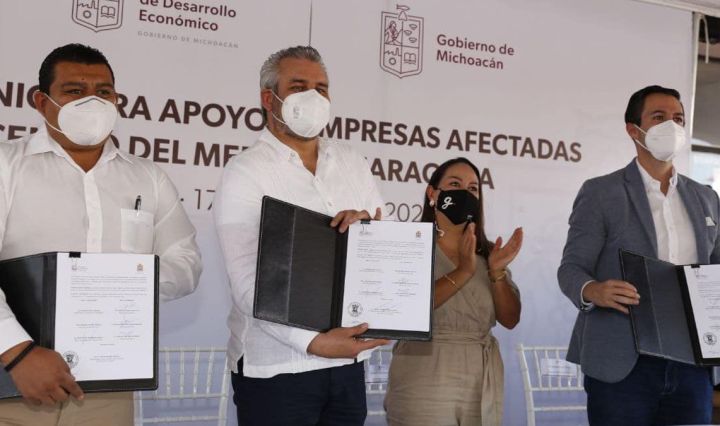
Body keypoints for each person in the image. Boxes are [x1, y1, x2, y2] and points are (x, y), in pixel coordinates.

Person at [0, 43, 202, 425]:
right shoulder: (6, 166)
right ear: (41, 102)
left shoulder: (148, 177)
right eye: (74, 91)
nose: (91, 101)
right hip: (13, 382)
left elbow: (186, 262)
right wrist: (17, 351)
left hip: (107, 388)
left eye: (103, 92)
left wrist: (126, 285)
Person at [213, 45, 388, 426]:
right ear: (268, 99)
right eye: (298, 86)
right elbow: (246, 283)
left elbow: (384, 249)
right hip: (277, 369)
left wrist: (369, 233)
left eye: (321, 88)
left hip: (347, 364)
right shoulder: (245, 171)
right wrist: (313, 342)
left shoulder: (352, 162)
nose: (313, 97)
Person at [558, 85, 718, 425]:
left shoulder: (706, 198)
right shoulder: (601, 192)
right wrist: (593, 290)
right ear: (633, 130)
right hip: (622, 363)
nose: (671, 126)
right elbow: (571, 269)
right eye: (659, 117)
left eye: (678, 118)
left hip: (691, 363)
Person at [384, 157, 523, 426]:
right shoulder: (408, 246)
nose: (465, 194)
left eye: (473, 189)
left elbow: (510, 319)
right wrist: (463, 271)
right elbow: (404, 310)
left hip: (479, 379)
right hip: (423, 373)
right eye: (455, 185)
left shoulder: (489, 254)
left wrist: (496, 272)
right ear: (432, 193)